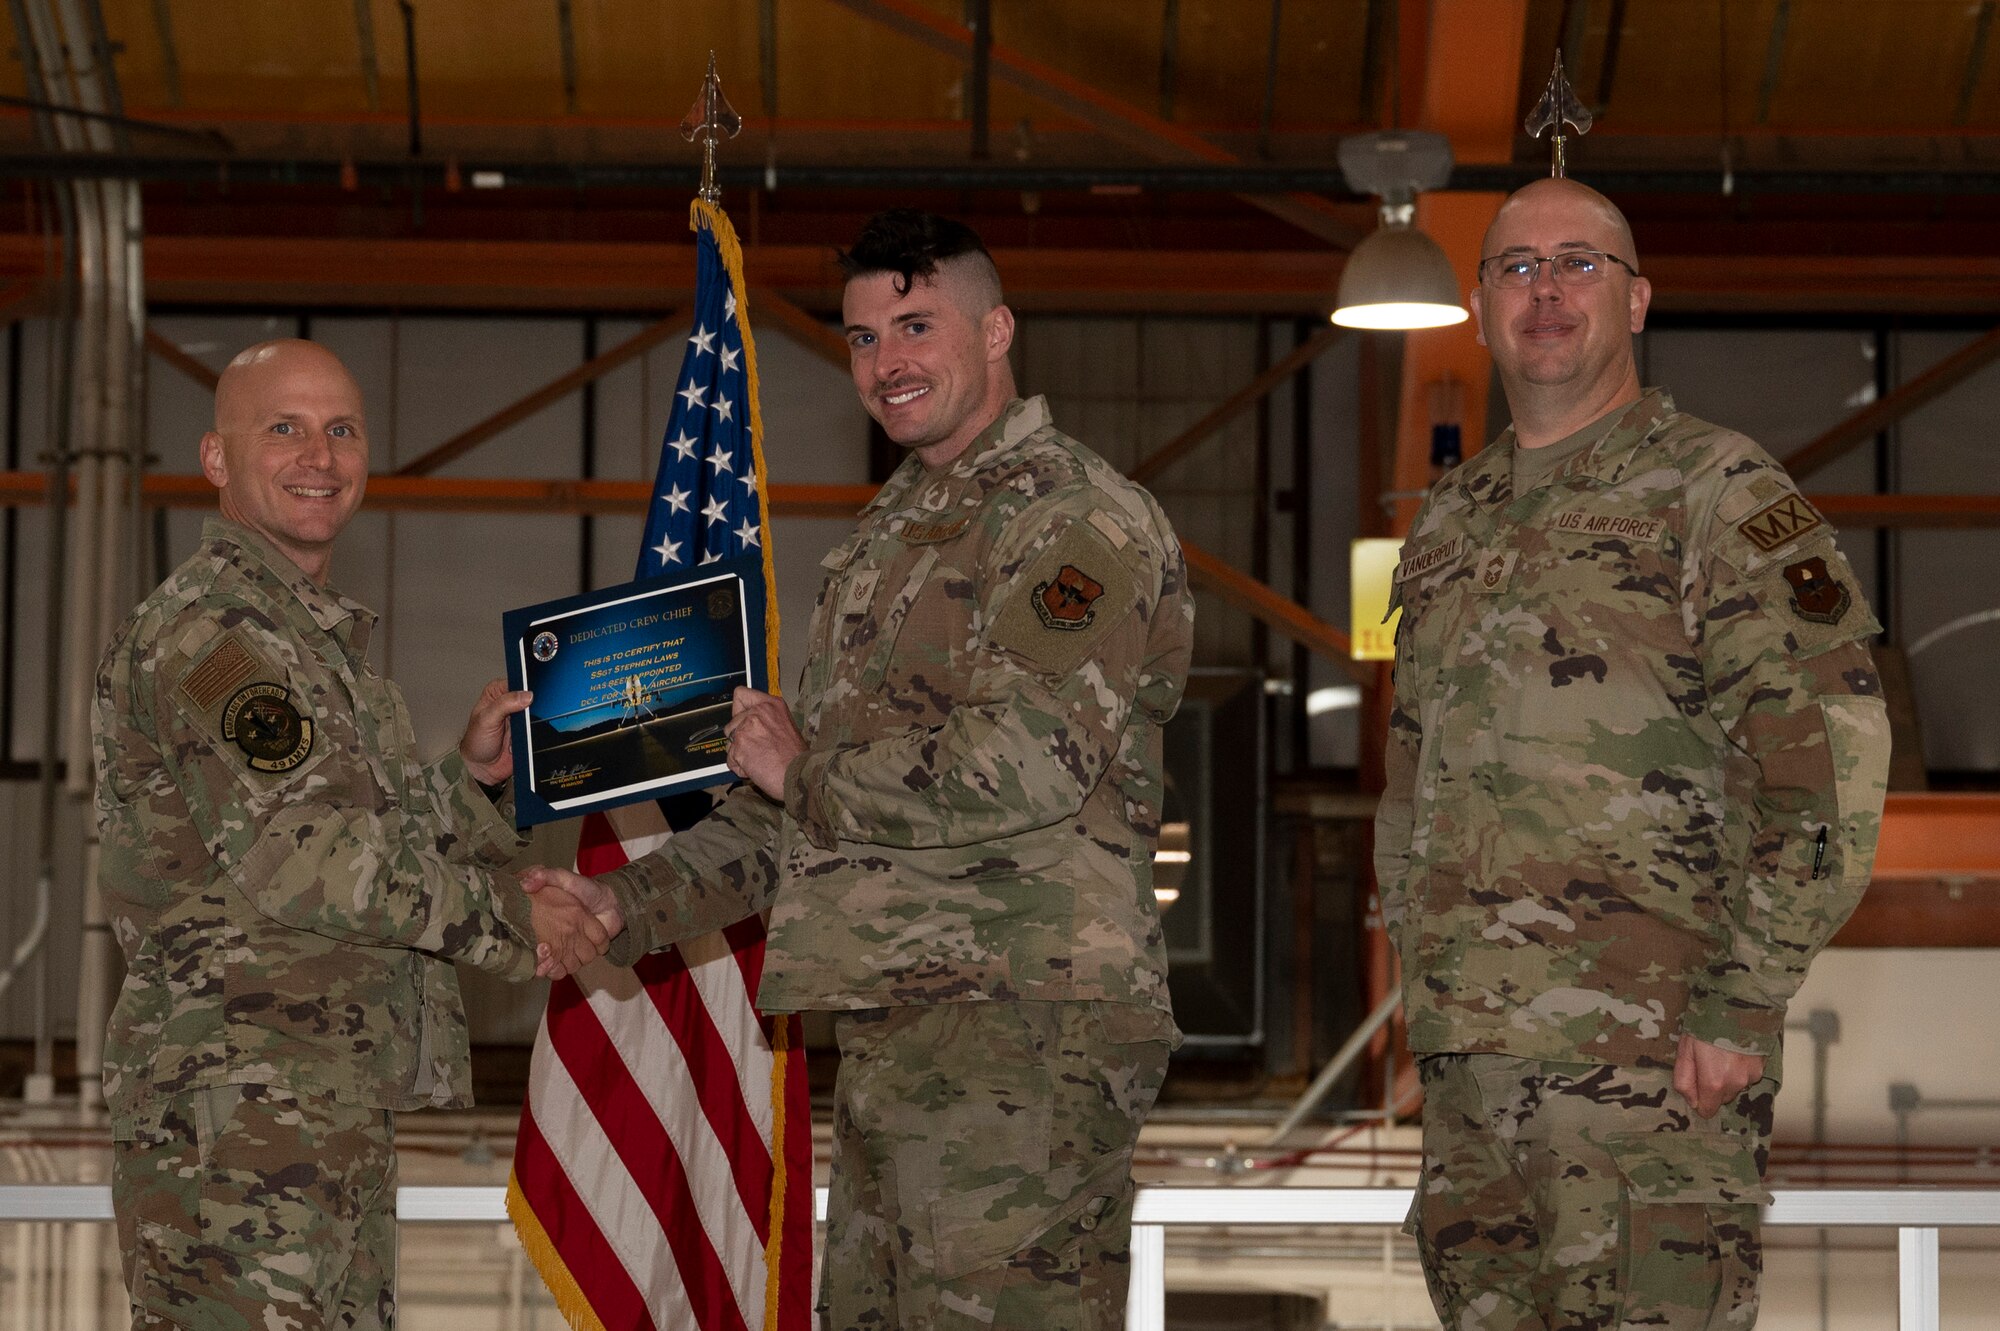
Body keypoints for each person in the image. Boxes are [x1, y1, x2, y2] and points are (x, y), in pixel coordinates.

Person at [525, 209, 1194, 1329]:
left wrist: (807, 777)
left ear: (995, 331)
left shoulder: (1073, 517)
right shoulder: (888, 539)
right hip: (897, 1030)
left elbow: (1024, 763)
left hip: (1026, 1031)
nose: (886, 362)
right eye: (860, 338)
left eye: (916, 325)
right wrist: (617, 901)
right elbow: (790, 812)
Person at [1373, 176, 1892, 1329]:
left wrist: (1739, 1005)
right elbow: (1412, 774)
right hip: (1473, 1074)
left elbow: (1832, 752)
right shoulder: (1450, 518)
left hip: (1651, 1067)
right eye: (1514, 267)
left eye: (1576, 264)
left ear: (1636, 298)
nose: (1543, 291)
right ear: (1477, 304)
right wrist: (1426, 986)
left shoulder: (1716, 489)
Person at [92, 339, 615, 1329]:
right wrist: (517, 918)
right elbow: (309, 862)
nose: (318, 455)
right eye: (281, 428)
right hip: (236, 1120)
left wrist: (475, 782)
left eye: (341, 429)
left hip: (316, 1106)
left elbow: (347, 834)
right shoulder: (214, 635)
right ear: (216, 458)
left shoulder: (307, 643)